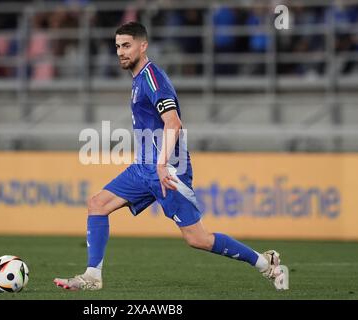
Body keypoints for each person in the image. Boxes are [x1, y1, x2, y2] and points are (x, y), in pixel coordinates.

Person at [54, 21, 289, 291]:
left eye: (127, 45)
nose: (120, 51)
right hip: (144, 167)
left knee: (198, 239)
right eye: (117, 46)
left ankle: (264, 262)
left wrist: (163, 163)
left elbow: (174, 123)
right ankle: (93, 276)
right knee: (97, 204)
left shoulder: (153, 79)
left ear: (143, 46)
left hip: (168, 169)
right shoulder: (138, 80)